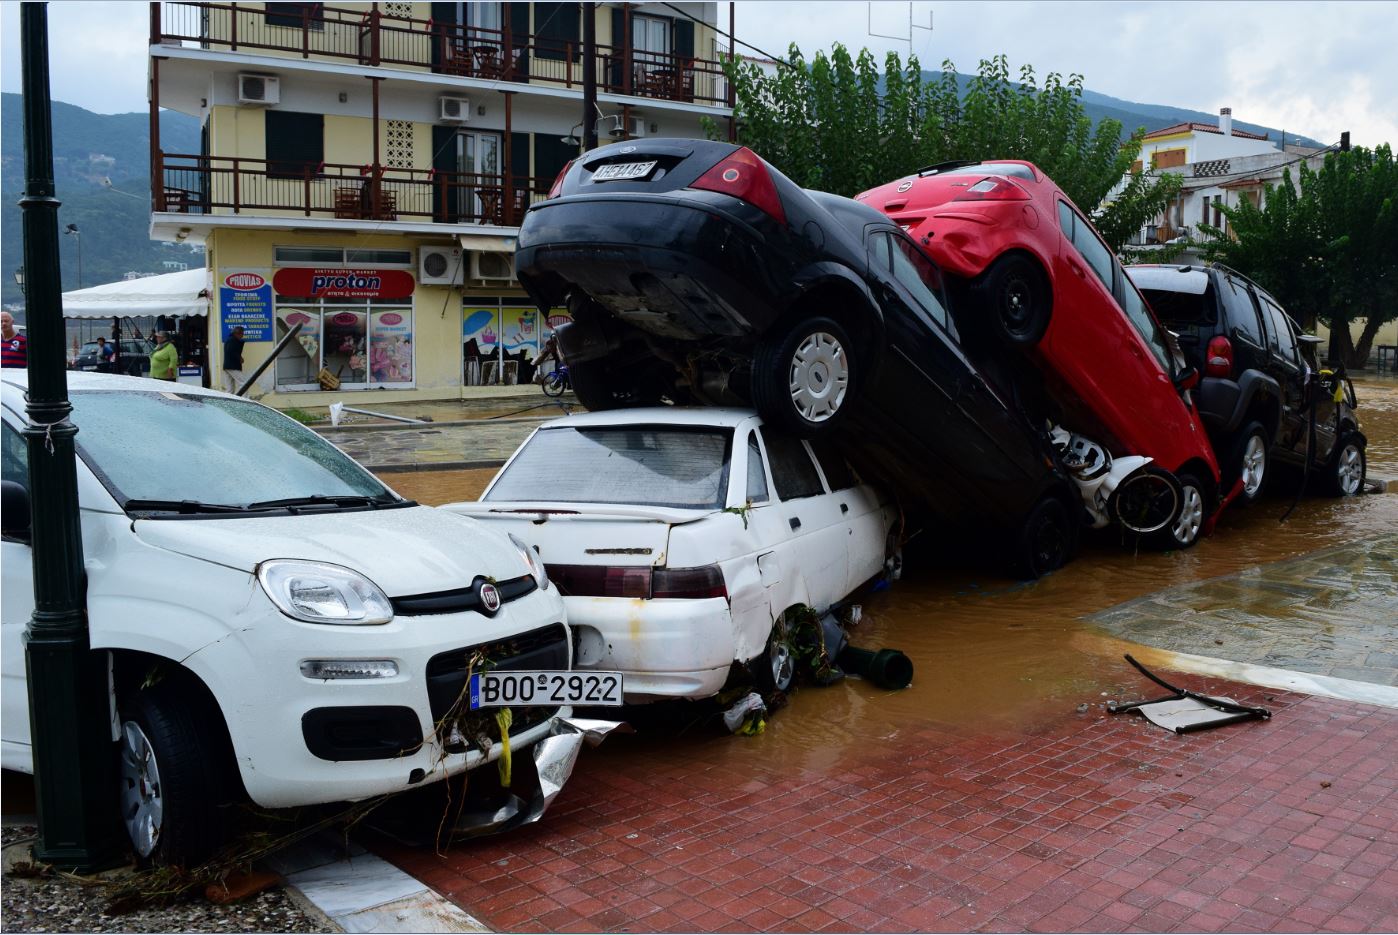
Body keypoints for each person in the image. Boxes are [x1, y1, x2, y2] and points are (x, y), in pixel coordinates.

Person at [223, 325, 246, 393]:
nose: (242, 336)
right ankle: (245, 398)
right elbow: (231, 351)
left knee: (230, 388)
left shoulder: (230, 339)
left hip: (227, 366)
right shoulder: (232, 340)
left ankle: (228, 399)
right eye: (242, 334)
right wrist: (240, 358)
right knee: (243, 383)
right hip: (233, 366)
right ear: (237, 333)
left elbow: (231, 351)